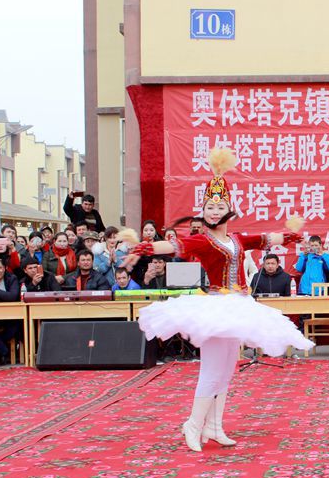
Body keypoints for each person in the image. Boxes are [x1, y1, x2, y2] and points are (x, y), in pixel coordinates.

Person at [123, 147, 311, 453]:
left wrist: (288, 237)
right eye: (209, 206)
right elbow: (175, 245)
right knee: (211, 370)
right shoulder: (204, 239)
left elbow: (263, 239)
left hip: (238, 306)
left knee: (227, 369)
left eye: (219, 205)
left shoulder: (235, 239)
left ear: (229, 209)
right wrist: (146, 247)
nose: (213, 210)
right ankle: (193, 425)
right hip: (215, 307)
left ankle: (214, 426)